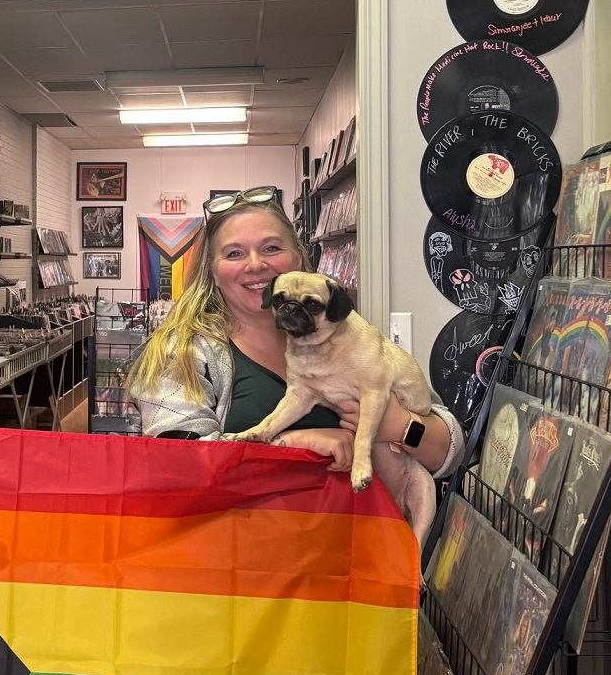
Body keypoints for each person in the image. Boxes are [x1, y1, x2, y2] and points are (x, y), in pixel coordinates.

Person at [128, 186, 463, 479]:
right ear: (212, 271)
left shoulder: (348, 331)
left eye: (272, 248)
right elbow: (173, 463)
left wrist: (401, 426)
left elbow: (450, 451)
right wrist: (294, 444)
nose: (255, 264)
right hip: (243, 544)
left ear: (298, 258)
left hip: (356, 540)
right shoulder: (182, 352)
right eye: (234, 253)